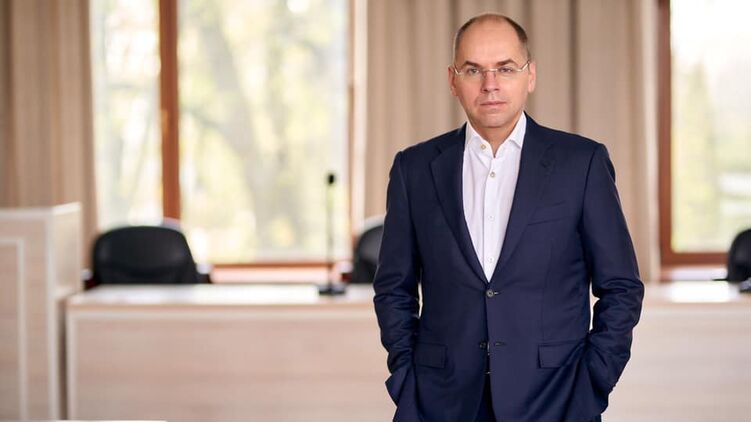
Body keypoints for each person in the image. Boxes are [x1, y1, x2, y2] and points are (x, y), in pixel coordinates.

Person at [373, 13, 644, 422]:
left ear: (530, 75)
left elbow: (621, 287)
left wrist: (592, 383)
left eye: (505, 68)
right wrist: (407, 379)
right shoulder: (414, 169)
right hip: (440, 402)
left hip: (556, 400)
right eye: (473, 70)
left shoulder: (582, 163)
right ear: (452, 80)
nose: (490, 84)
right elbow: (394, 287)